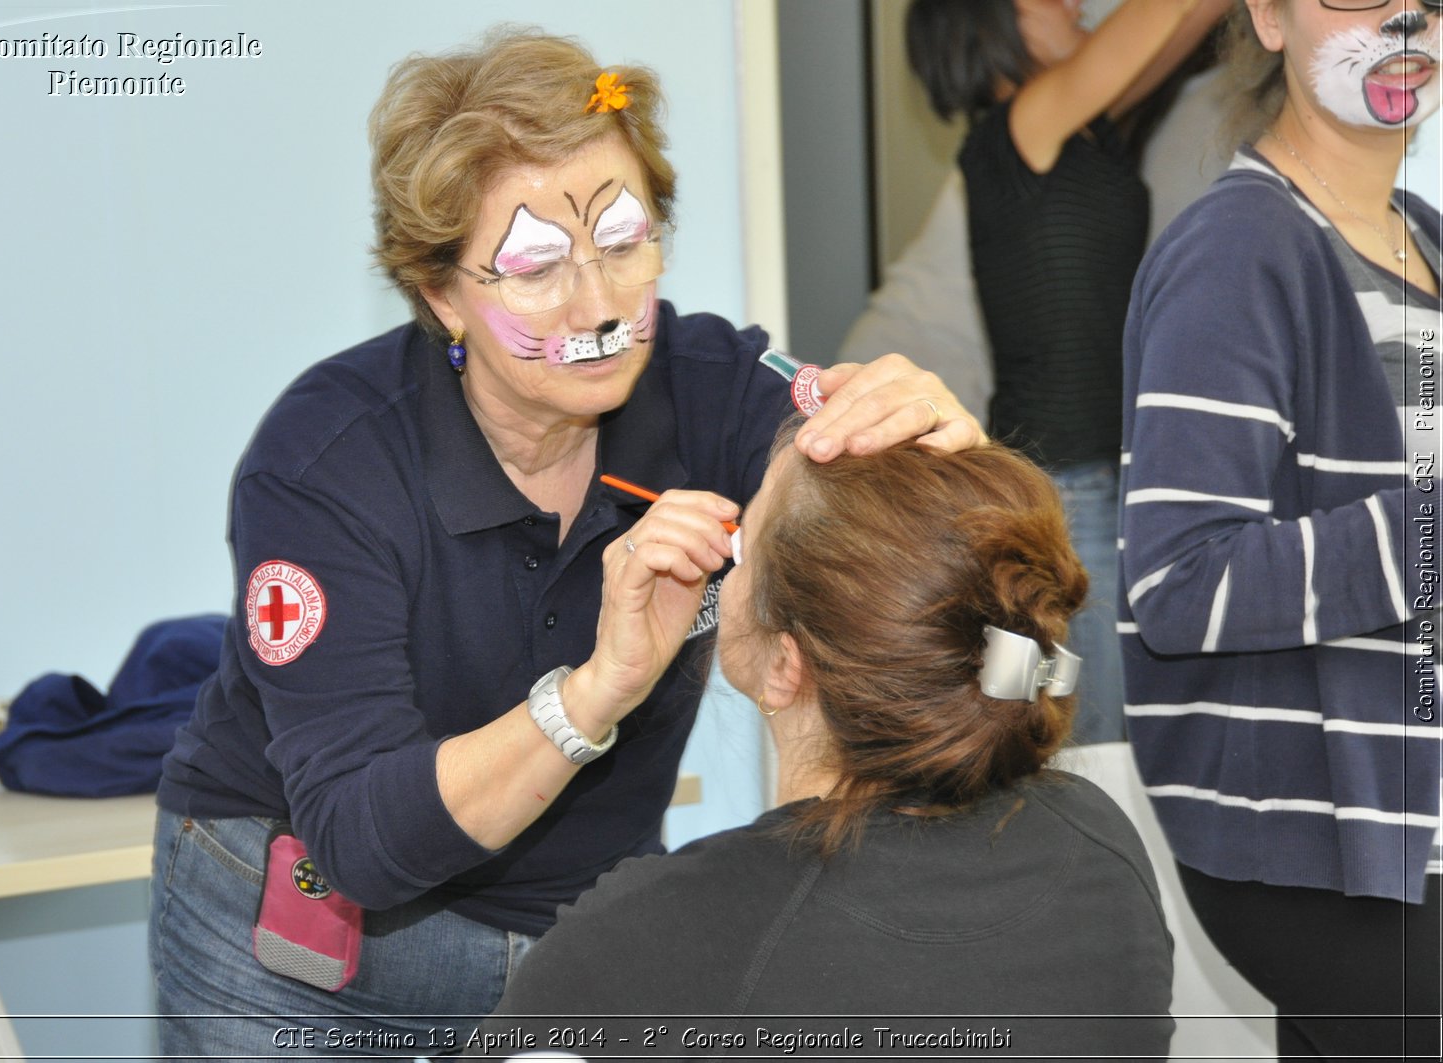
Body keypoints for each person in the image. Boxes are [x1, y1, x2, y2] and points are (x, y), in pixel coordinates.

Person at [145, 28, 984, 1056]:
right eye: (537, 267)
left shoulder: (709, 386)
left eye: (625, 242)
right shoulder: (324, 466)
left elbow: (891, 523)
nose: (599, 308)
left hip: (576, 943)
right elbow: (363, 840)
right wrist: (596, 691)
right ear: (439, 292)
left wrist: (937, 444)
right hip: (308, 952)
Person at [478, 431, 1175, 1058]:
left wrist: (601, 683)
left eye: (741, 542)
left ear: (786, 664)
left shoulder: (656, 939)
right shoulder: (1100, 843)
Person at [1119, 1, 1441, 1057]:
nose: (1405, 19)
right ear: (1265, 16)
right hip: (1325, 840)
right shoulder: (1236, 253)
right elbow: (1176, 581)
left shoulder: (1425, 241)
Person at [903, 0, 1230, 745]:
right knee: (1090, 738)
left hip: (1093, 480)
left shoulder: (1081, 128)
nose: (1076, 4)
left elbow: (1185, 24)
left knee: (1090, 729)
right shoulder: (1023, 125)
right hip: (1064, 490)